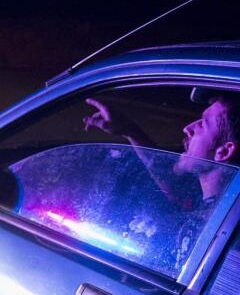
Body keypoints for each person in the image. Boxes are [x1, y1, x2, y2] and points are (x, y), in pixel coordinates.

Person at [84, 93, 240, 266]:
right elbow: (170, 182)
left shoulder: (223, 230)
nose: (188, 128)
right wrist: (129, 130)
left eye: (203, 124)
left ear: (224, 152)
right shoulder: (219, 205)